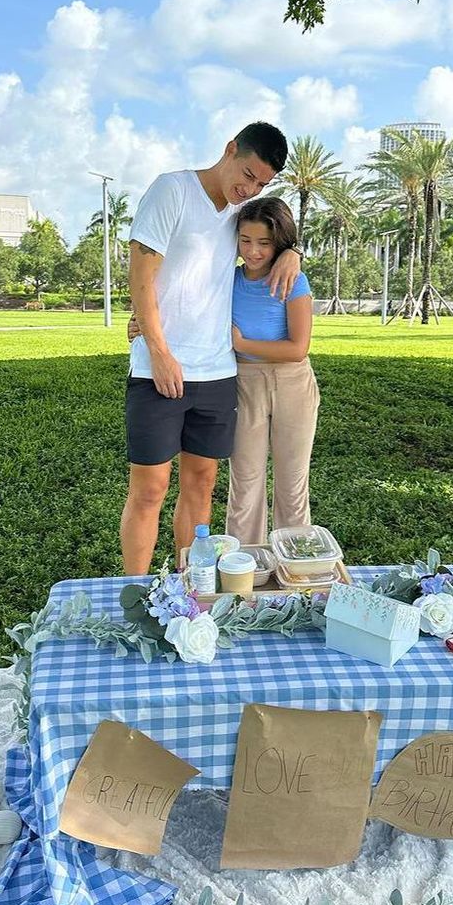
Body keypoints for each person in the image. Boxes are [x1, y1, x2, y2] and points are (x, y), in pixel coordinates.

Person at [121, 122, 301, 575]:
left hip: (218, 373)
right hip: (158, 369)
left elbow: (269, 238)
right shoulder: (172, 190)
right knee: (149, 489)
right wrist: (159, 352)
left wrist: (295, 251)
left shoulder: (241, 215)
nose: (249, 188)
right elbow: (141, 275)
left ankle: (188, 588)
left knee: (201, 486)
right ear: (229, 149)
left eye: (262, 183)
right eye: (247, 174)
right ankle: (134, 592)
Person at [226, 197, 318, 546]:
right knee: (244, 484)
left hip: (292, 384)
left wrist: (242, 343)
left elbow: (297, 349)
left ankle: (294, 572)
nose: (253, 251)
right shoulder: (228, 279)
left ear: (279, 242)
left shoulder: (294, 280)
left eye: (264, 243)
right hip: (243, 384)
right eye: (246, 241)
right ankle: (245, 570)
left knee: (292, 485)